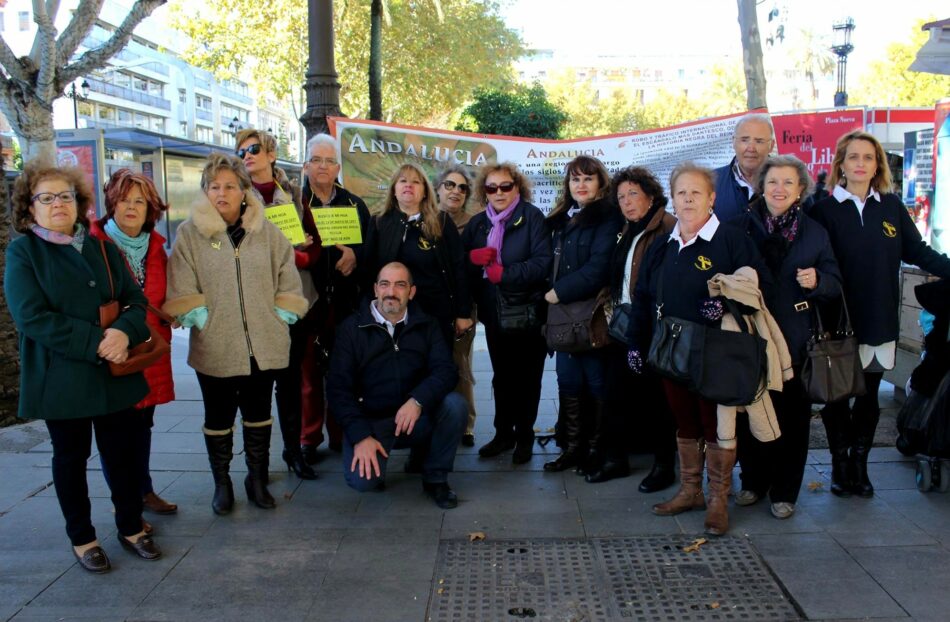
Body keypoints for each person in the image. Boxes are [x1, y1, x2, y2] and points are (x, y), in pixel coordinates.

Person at [5, 162, 161, 573]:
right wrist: (100, 342)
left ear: (79, 203)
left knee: (122, 456)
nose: (58, 204)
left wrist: (124, 333)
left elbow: (136, 301)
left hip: (115, 377)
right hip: (62, 379)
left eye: (66, 196)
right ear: (30, 207)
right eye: (47, 197)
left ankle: (130, 527)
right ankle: (83, 538)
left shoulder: (101, 246)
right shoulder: (24, 251)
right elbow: (31, 317)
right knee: (70, 459)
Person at [628, 162, 772, 536]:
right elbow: (642, 298)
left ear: (711, 198)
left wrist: (726, 304)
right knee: (685, 422)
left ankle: (718, 500)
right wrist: (635, 343)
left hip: (716, 352)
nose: (688, 199)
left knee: (716, 426)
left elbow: (758, 288)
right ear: (673, 199)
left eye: (696, 192)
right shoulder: (662, 246)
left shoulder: (732, 240)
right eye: (681, 193)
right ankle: (691, 490)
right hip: (671, 351)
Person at [164, 153, 307, 515]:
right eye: (214, 187)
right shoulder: (189, 234)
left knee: (259, 412)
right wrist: (202, 319)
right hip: (216, 343)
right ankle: (222, 482)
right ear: (205, 192)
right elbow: (181, 282)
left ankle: (256, 478)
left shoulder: (268, 231)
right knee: (219, 416)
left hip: (264, 341)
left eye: (230, 186)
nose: (222, 193)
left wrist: (280, 315)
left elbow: (287, 277)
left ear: (244, 191)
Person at [811, 130, 950, 498]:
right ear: (840, 163)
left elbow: (918, 251)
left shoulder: (890, 207)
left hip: (878, 317)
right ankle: (841, 467)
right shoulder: (821, 210)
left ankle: (860, 465)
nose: (860, 163)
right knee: (836, 398)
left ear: (877, 165)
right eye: (853, 157)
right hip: (836, 323)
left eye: (868, 157)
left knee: (869, 397)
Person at [732, 155, 843, 519]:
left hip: (795, 340)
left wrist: (819, 282)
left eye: (788, 183)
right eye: (773, 181)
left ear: (800, 191)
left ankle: (784, 491)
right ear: (761, 186)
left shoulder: (815, 232)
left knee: (793, 420)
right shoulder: (740, 227)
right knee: (751, 414)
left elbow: (835, 283)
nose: (779, 189)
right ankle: (753, 482)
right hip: (752, 336)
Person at [325, 262, 467, 508]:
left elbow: (446, 370)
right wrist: (360, 436)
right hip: (371, 421)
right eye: (385, 284)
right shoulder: (351, 329)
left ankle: (435, 477)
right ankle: (379, 456)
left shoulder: (427, 324)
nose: (391, 291)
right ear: (375, 289)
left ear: (411, 292)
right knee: (362, 483)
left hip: (413, 417)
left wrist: (417, 400)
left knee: (455, 405)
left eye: (400, 285)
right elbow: (338, 390)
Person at [90, 169, 178, 524]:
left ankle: (143, 489)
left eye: (139, 201)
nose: (131, 207)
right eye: (124, 199)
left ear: (150, 208)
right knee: (115, 432)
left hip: (150, 349)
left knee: (143, 424)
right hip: (115, 349)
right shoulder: (94, 244)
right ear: (112, 203)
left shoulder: (156, 247)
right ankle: (124, 503)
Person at [235, 129, 320, 480]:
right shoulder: (237, 196)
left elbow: (313, 246)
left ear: (271, 154)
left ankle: (293, 451)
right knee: (256, 386)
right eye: (240, 151)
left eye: (253, 149)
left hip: (295, 299)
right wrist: (287, 252)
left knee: (290, 381)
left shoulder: (295, 193)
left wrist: (299, 257)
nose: (247, 156)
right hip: (256, 303)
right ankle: (257, 462)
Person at [462, 162, 552, 464]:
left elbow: (543, 263)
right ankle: (503, 434)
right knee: (502, 377)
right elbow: (459, 266)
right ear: (484, 191)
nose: (498, 192)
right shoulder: (478, 224)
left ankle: (525, 435)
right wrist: (472, 259)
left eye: (505, 186)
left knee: (528, 377)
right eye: (491, 187)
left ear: (517, 187)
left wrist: (506, 273)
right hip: (494, 313)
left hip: (528, 312)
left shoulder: (532, 217)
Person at [598, 166, 677, 487]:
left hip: (654, 326)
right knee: (615, 394)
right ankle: (615, 460)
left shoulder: (668, 227)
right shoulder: (626, 229)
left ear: (650, 196)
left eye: (633, 194)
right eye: (621, 197)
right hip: (624, 325)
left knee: (658, 399)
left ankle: (664, 466)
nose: (627, 202)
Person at [543, 156, 621, 474]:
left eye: (588, 178)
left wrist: (557, 292)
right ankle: (572, 448)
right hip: (563, 317)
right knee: (568, 381)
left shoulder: (608, 218)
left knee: (596, 382)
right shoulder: (561, 219)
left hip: (590, 315)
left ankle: (596, 450)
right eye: (575, 179)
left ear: (601, 183)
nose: (581, 185)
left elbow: (598, 268)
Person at [299, 133, 374, 463]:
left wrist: (356, 257)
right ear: (306, 166)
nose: (323, 166)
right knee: (308, 376)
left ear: (338, 166)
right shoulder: (293, 205)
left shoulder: (354, 204)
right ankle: (308, 438)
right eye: (317, 160)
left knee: (345, 372)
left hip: (345, 303)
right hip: (306, 304)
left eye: (330, 161)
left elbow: (370, 251)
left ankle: (342, 433)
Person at [372, 163, 473, 348]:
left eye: (415, 182)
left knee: (438, 369)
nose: (408, 185)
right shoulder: (378, 223)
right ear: (394, 190)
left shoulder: (442, 221)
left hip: (436, 315)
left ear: (425, 191)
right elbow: (367, 271)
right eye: (403, 181)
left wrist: (463, 313)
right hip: (391, 315)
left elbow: (459, 268)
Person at [436, 166, 480, 448]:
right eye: (450, 185)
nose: (455, 191)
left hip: (463, 305)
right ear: (438, 188)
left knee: (460, 364)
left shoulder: (473, 223)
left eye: (462, 188)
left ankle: (466, 424)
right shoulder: (426, 219)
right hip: (431, 305)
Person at [713, 113, 775, 223]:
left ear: (771, 145)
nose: (751, 148)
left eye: (759, 141)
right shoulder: (711, 182)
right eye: (744, 140)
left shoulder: (790, 183)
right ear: (733, 142)